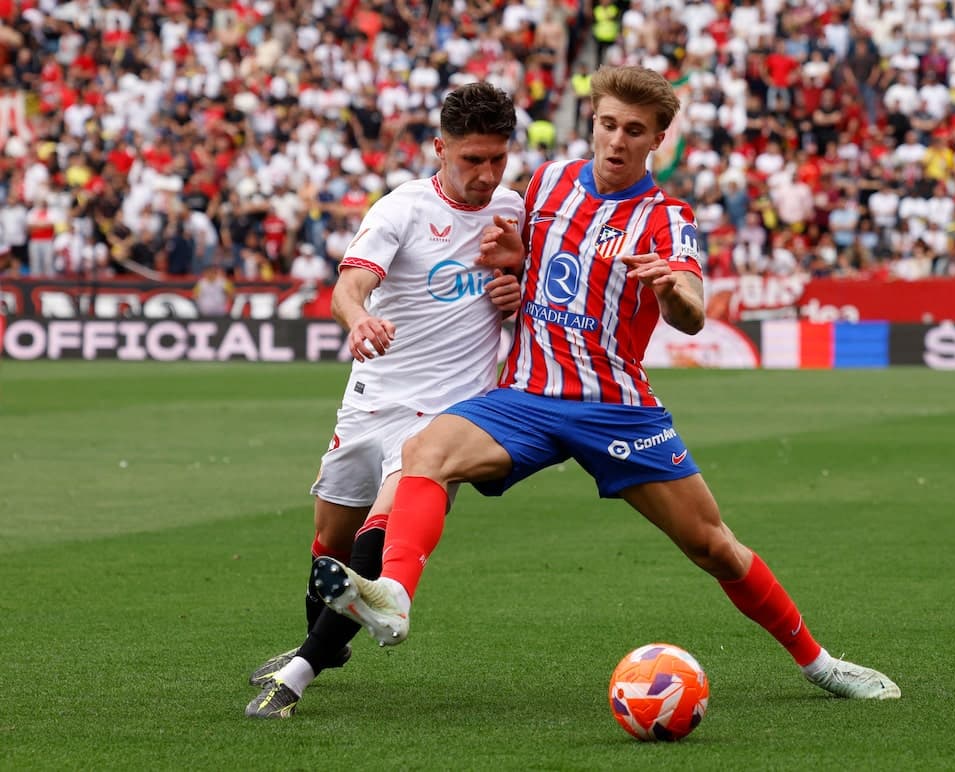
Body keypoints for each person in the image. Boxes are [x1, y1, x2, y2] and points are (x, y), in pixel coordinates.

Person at [313, 66, 902, 703]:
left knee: (714, 546)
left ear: (657, 140)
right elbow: (527, 260)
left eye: (635, 131)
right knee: (424, 452)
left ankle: (818, 663)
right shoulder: (548, 184)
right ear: (592, 123)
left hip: (615, 408)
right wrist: (513, 265)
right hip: (528, 398)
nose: (616, 141)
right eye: (608, 125)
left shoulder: (666, 217)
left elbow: (693, 311)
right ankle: (395, 596)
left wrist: (672, 291)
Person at [245, 81, 525, 718]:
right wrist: (358, 319)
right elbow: (350, 287)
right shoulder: (399, 209)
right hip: (375, 399)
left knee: (385, 531)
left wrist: (517, 292)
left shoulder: (514, 209)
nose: (486, 175)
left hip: (452, 412)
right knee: (329, 544)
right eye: (471, 160)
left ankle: (297, 674)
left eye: (496, 159)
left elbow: (538, 290)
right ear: (439, 150)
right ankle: (327, 639)